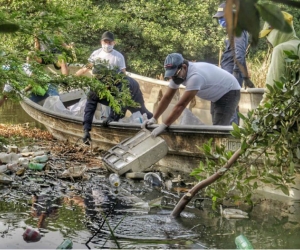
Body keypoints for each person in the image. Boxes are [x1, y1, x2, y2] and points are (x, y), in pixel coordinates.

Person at [141, 53, 241, 137]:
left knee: (219, 129)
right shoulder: (178, 75)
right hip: (217, 93)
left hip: (229, 91)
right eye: (171, 75)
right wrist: (154, 118)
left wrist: (164, 125)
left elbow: (180, 106)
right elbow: (166, 98)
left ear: (184, 67)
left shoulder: (195, 77)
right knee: (217, 125)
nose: (173, 78)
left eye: (175, 74)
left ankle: (227, 155)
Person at [82, 70, 152, 143]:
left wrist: (112, 117)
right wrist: (86, 130)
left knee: (141, 112)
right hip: (114, 97)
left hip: (132, 91)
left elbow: (121, 104)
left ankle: (153, 121)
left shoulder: (120, 84)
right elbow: (89, 108)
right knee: (116, 116)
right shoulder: (95, 89)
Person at [213, 2, 254, 124]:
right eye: (220, 18)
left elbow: (240, 55)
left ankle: (231, 136)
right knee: (231, 106)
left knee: (229, 105)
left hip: (231, 76)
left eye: (222, 17)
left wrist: (236, 78)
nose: (221, 21)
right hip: (230, 74)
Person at [75, 31, 126, 119]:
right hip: (96, 84)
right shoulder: (96, 54)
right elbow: (85, 68)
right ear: (101, 42)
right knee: (85, 98)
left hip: (111, 86)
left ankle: (106, 119)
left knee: (107, 104)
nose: (107, 44)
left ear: (114, 43)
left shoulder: (118, 56)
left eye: (109, 42)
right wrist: (73, 77)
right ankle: (77, 114)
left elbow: (123, 73)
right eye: (105, 42)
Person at [259, 11, 300, 105]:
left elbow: (273, 86)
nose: (267, 40)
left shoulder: (280, 50)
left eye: (268, 35)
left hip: (289, 109)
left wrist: (260, 110)